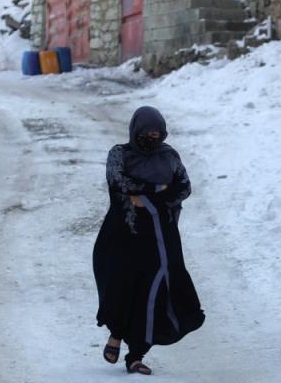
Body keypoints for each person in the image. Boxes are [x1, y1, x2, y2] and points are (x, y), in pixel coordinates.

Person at [93, 106, 205, 375]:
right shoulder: (119, 154)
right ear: (136, 131)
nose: (152, 137)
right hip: (124, 234)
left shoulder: (169, 156)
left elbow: (184, 187)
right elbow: (118, 184)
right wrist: (161, 189)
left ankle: (136, 355)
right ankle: (116, 334)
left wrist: (148, 196)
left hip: (161, 236)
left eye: (157, 133)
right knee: (121, 287)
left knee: (155, 290)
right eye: (147, 132)